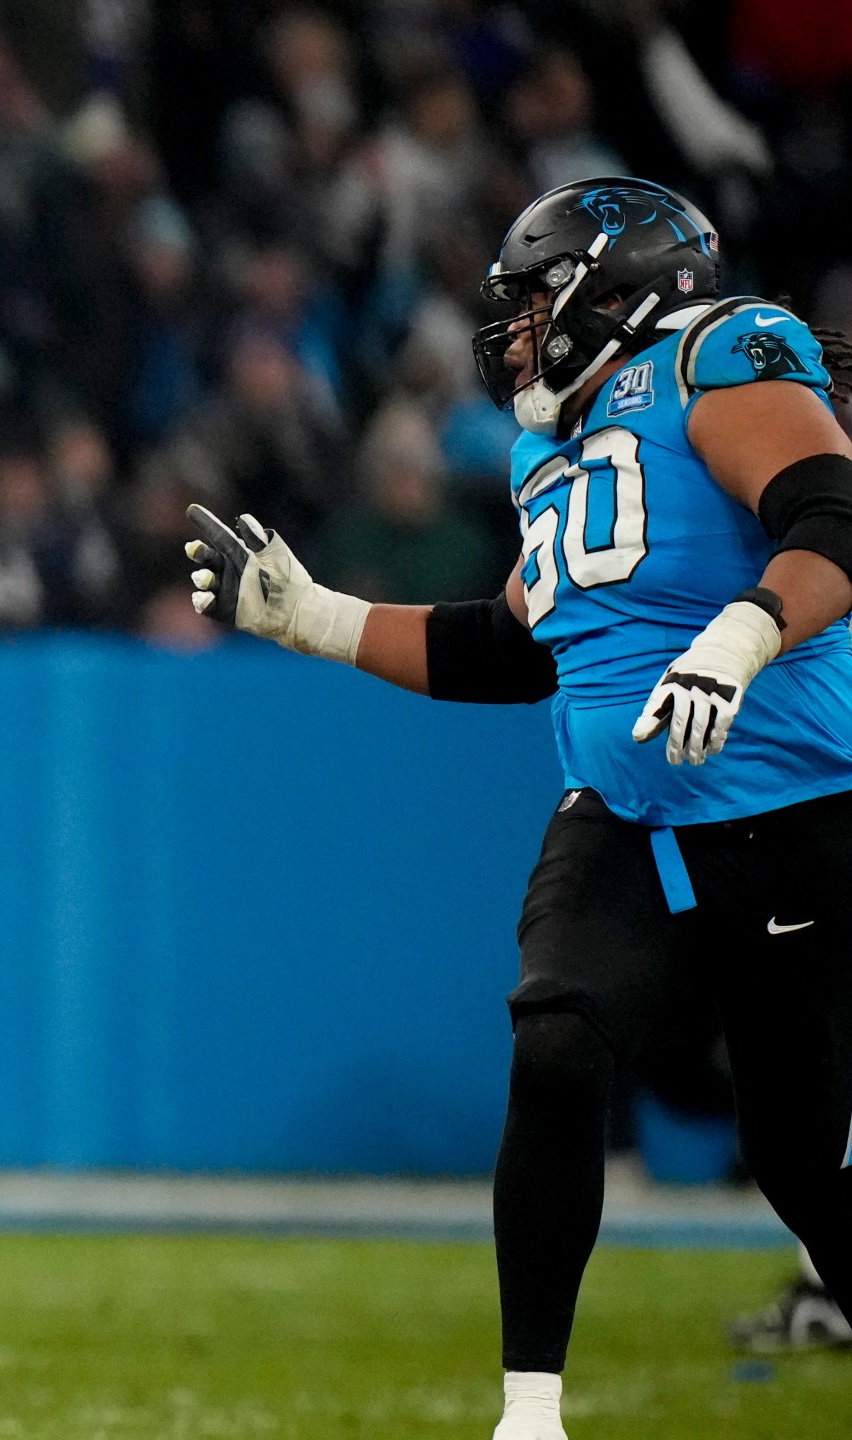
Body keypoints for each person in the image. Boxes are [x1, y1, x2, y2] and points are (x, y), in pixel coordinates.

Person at [181, 177, 852, 1440]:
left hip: (794, 811)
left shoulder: (723, 353)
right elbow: (515, 645)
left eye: (534, 300)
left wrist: (745, 633)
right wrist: (312, 618)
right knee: (555, 1038)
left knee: (803, 1157)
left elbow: (833, 513)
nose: (516, 332)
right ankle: (528, 1414)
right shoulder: (555, 442)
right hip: (624, 809)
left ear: (615, 287)